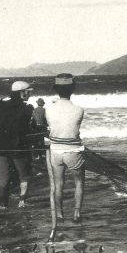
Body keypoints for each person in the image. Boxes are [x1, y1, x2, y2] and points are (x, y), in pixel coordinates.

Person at [47, 73, 85, 222]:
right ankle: (76, 213)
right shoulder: (79, 109)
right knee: (79, 182)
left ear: (56, 90)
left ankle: (60, 214)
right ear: (72, 89)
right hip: (73, 149)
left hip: (55, 150)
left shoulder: (49, 109)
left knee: (58, 183)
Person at [0, 81, 33, 208]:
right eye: (28, 91)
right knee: (24, 175)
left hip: (2, 146)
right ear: (22, 92)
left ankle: (2, 204)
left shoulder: (2, 106)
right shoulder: (26, 109)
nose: (30, 94)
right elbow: (25, 130)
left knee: (3, 177)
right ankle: (22, 202)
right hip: (18, 146)